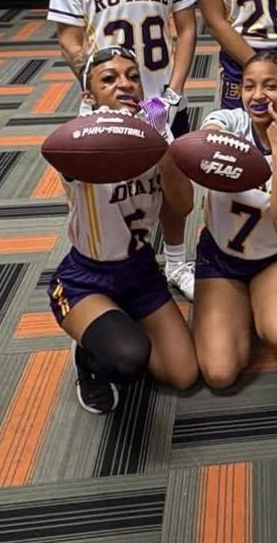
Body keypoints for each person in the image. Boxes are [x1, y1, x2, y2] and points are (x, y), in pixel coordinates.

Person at [48, 0, 198, 300]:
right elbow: (68, 35)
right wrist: (93, 86)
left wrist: (172, 91)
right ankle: (108, 264)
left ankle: (174, 262)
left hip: (160, 100)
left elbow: (186, 29)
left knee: (172, 190)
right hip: (106, 102)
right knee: (103, 192)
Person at [46, 46, 199, 414]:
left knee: (183, 374)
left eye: (133, 76)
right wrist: (113, 124)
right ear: (89, 96)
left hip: (140, 270)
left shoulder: (154, 136)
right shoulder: (78, 141)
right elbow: (61, 151)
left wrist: (162, 146)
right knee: (128, 359)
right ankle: (88, 355)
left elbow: (183, 207)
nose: (125, 84)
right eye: (109, 79)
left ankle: (113, 322)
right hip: (86, 277)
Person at [192, 52, 277, 389]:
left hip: (275, 255)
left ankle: (274, 303)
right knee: (219, 374)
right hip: (221, 254)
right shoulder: (228, 122)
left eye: (270, 86)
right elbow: (202, 146)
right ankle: (241, 306)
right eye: (249, 86)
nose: (257, 95)